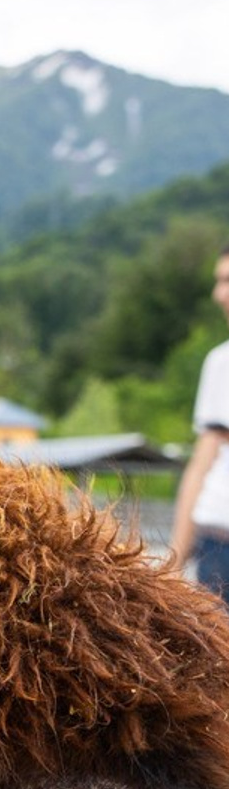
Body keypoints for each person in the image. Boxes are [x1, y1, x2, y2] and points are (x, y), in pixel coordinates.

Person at [172, 245, 229, 595]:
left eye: (227, 281)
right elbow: (201, 466)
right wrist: (173, 565)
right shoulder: (221, 363)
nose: (218, 293)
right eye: (218, 281)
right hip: (217, 547)